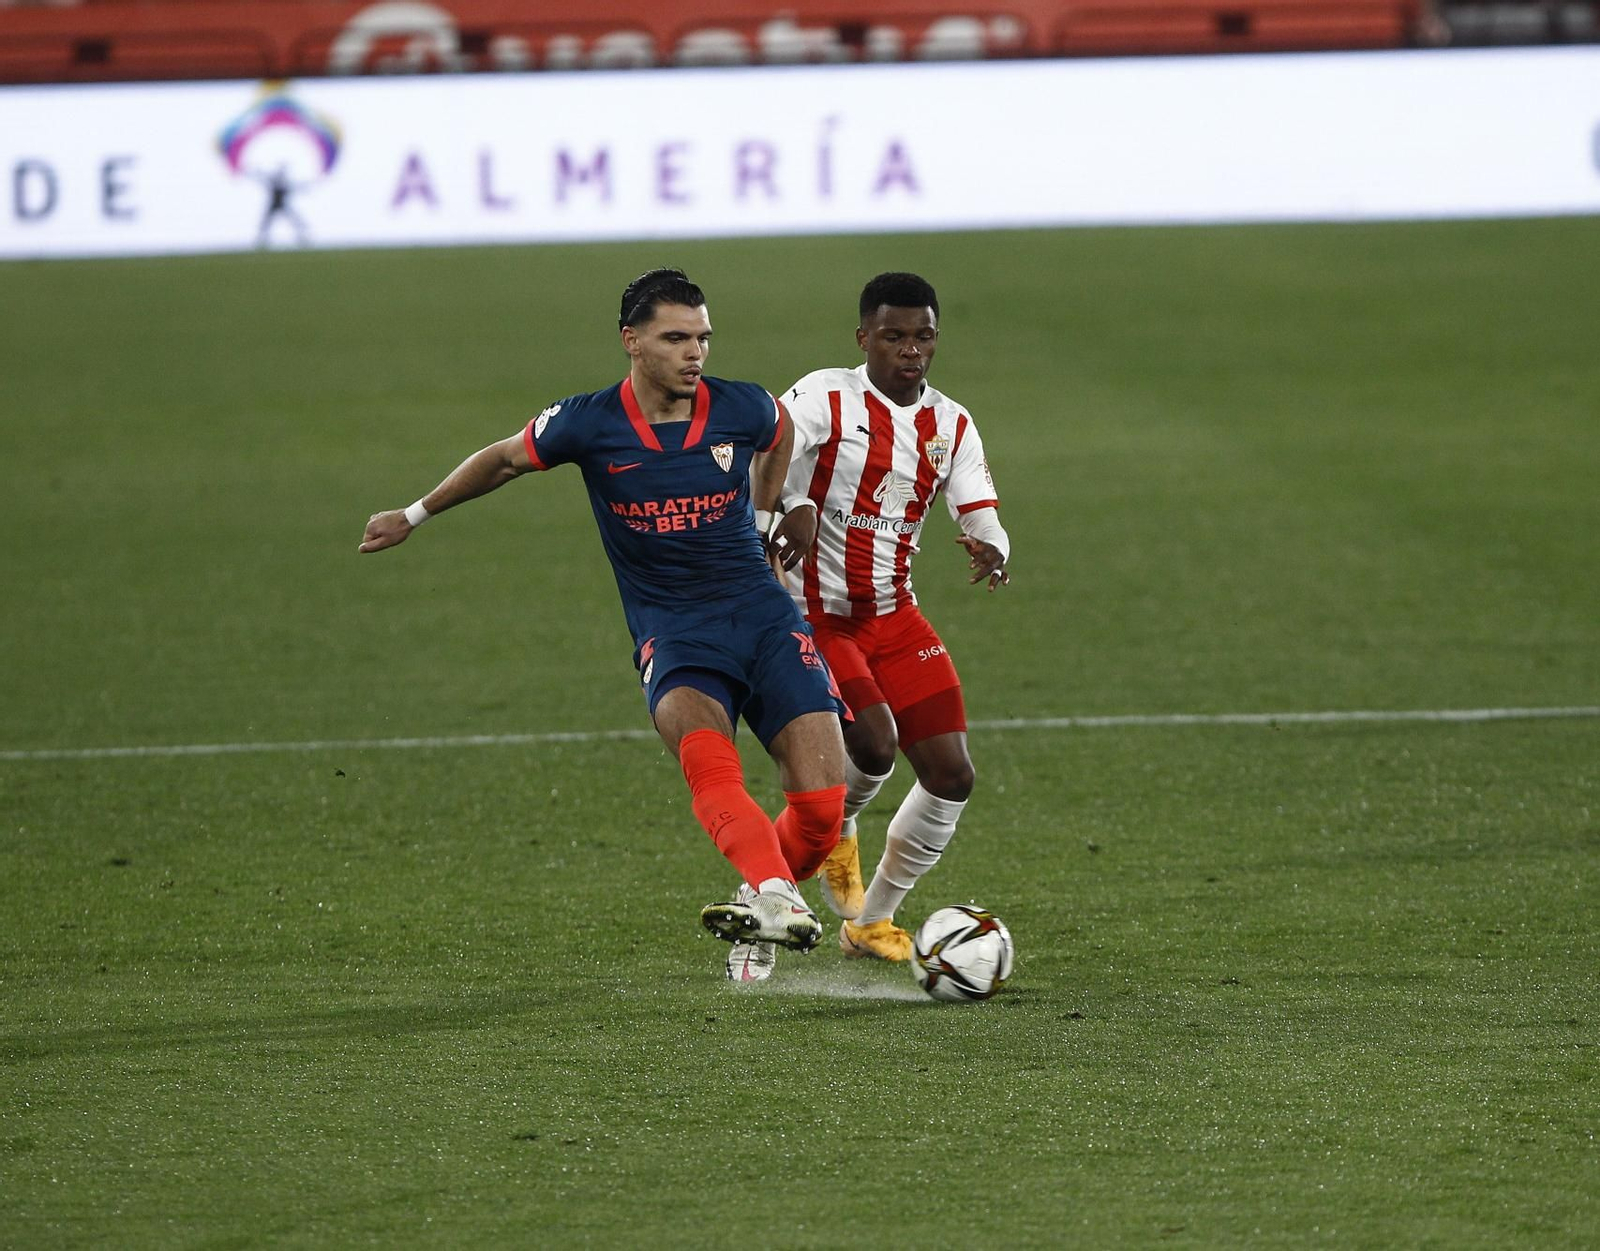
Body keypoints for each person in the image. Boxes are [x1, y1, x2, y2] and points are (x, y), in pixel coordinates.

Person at [359, 268, 849, 974]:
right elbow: (502, 460)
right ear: (632, 341)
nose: (695, 353)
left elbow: (784, 432)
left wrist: (771, 514)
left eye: (703, 338)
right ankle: (775, 893)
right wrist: (412, 515)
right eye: (676, 338)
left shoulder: (740, 407)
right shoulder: (589, 423)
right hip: (675, 630)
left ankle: (759, 899)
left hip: (764, 616)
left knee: (823, 809)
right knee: (710, 764)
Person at [728, 271, 1010, 979]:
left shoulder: (952, 423)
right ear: (864, 338)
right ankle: (802, 862)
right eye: (893, 336)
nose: (909, 350)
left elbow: (976, 504)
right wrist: (788, 505)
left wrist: (992, 543)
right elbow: (766, 451)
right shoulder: (826, 394)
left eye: (922, 336)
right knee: (875, 744)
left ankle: (871, 919)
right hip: (816, 615)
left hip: (893, 612)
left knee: (951, 772)